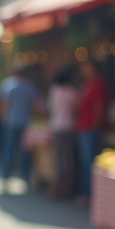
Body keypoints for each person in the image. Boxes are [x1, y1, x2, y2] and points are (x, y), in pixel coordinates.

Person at [0, 64, 40, 192]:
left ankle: (5, 177)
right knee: (24, 151)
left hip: (10, 121)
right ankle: (25, 177)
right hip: (25, 122)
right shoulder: (30, 87)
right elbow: (35, 106)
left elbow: (3, 104)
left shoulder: (8, 85)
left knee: (8, 150)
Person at [76, 60, 109, 202]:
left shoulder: (98, 85)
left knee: (90, 162)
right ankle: (86, 191)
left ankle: (89, 193)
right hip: (84, 127)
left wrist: (96, 126)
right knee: (85, 162)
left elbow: (98, 107)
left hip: (91, 128)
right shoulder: (87, 85)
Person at [48, 68, 79, 198]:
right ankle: (67, 185)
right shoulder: (70, 91)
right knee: (68, 157)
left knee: (60, 157)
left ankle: (61, 183)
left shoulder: (54, 91)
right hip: (67, 126)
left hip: (56, 126)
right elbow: (77, 107)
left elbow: (50, 108)